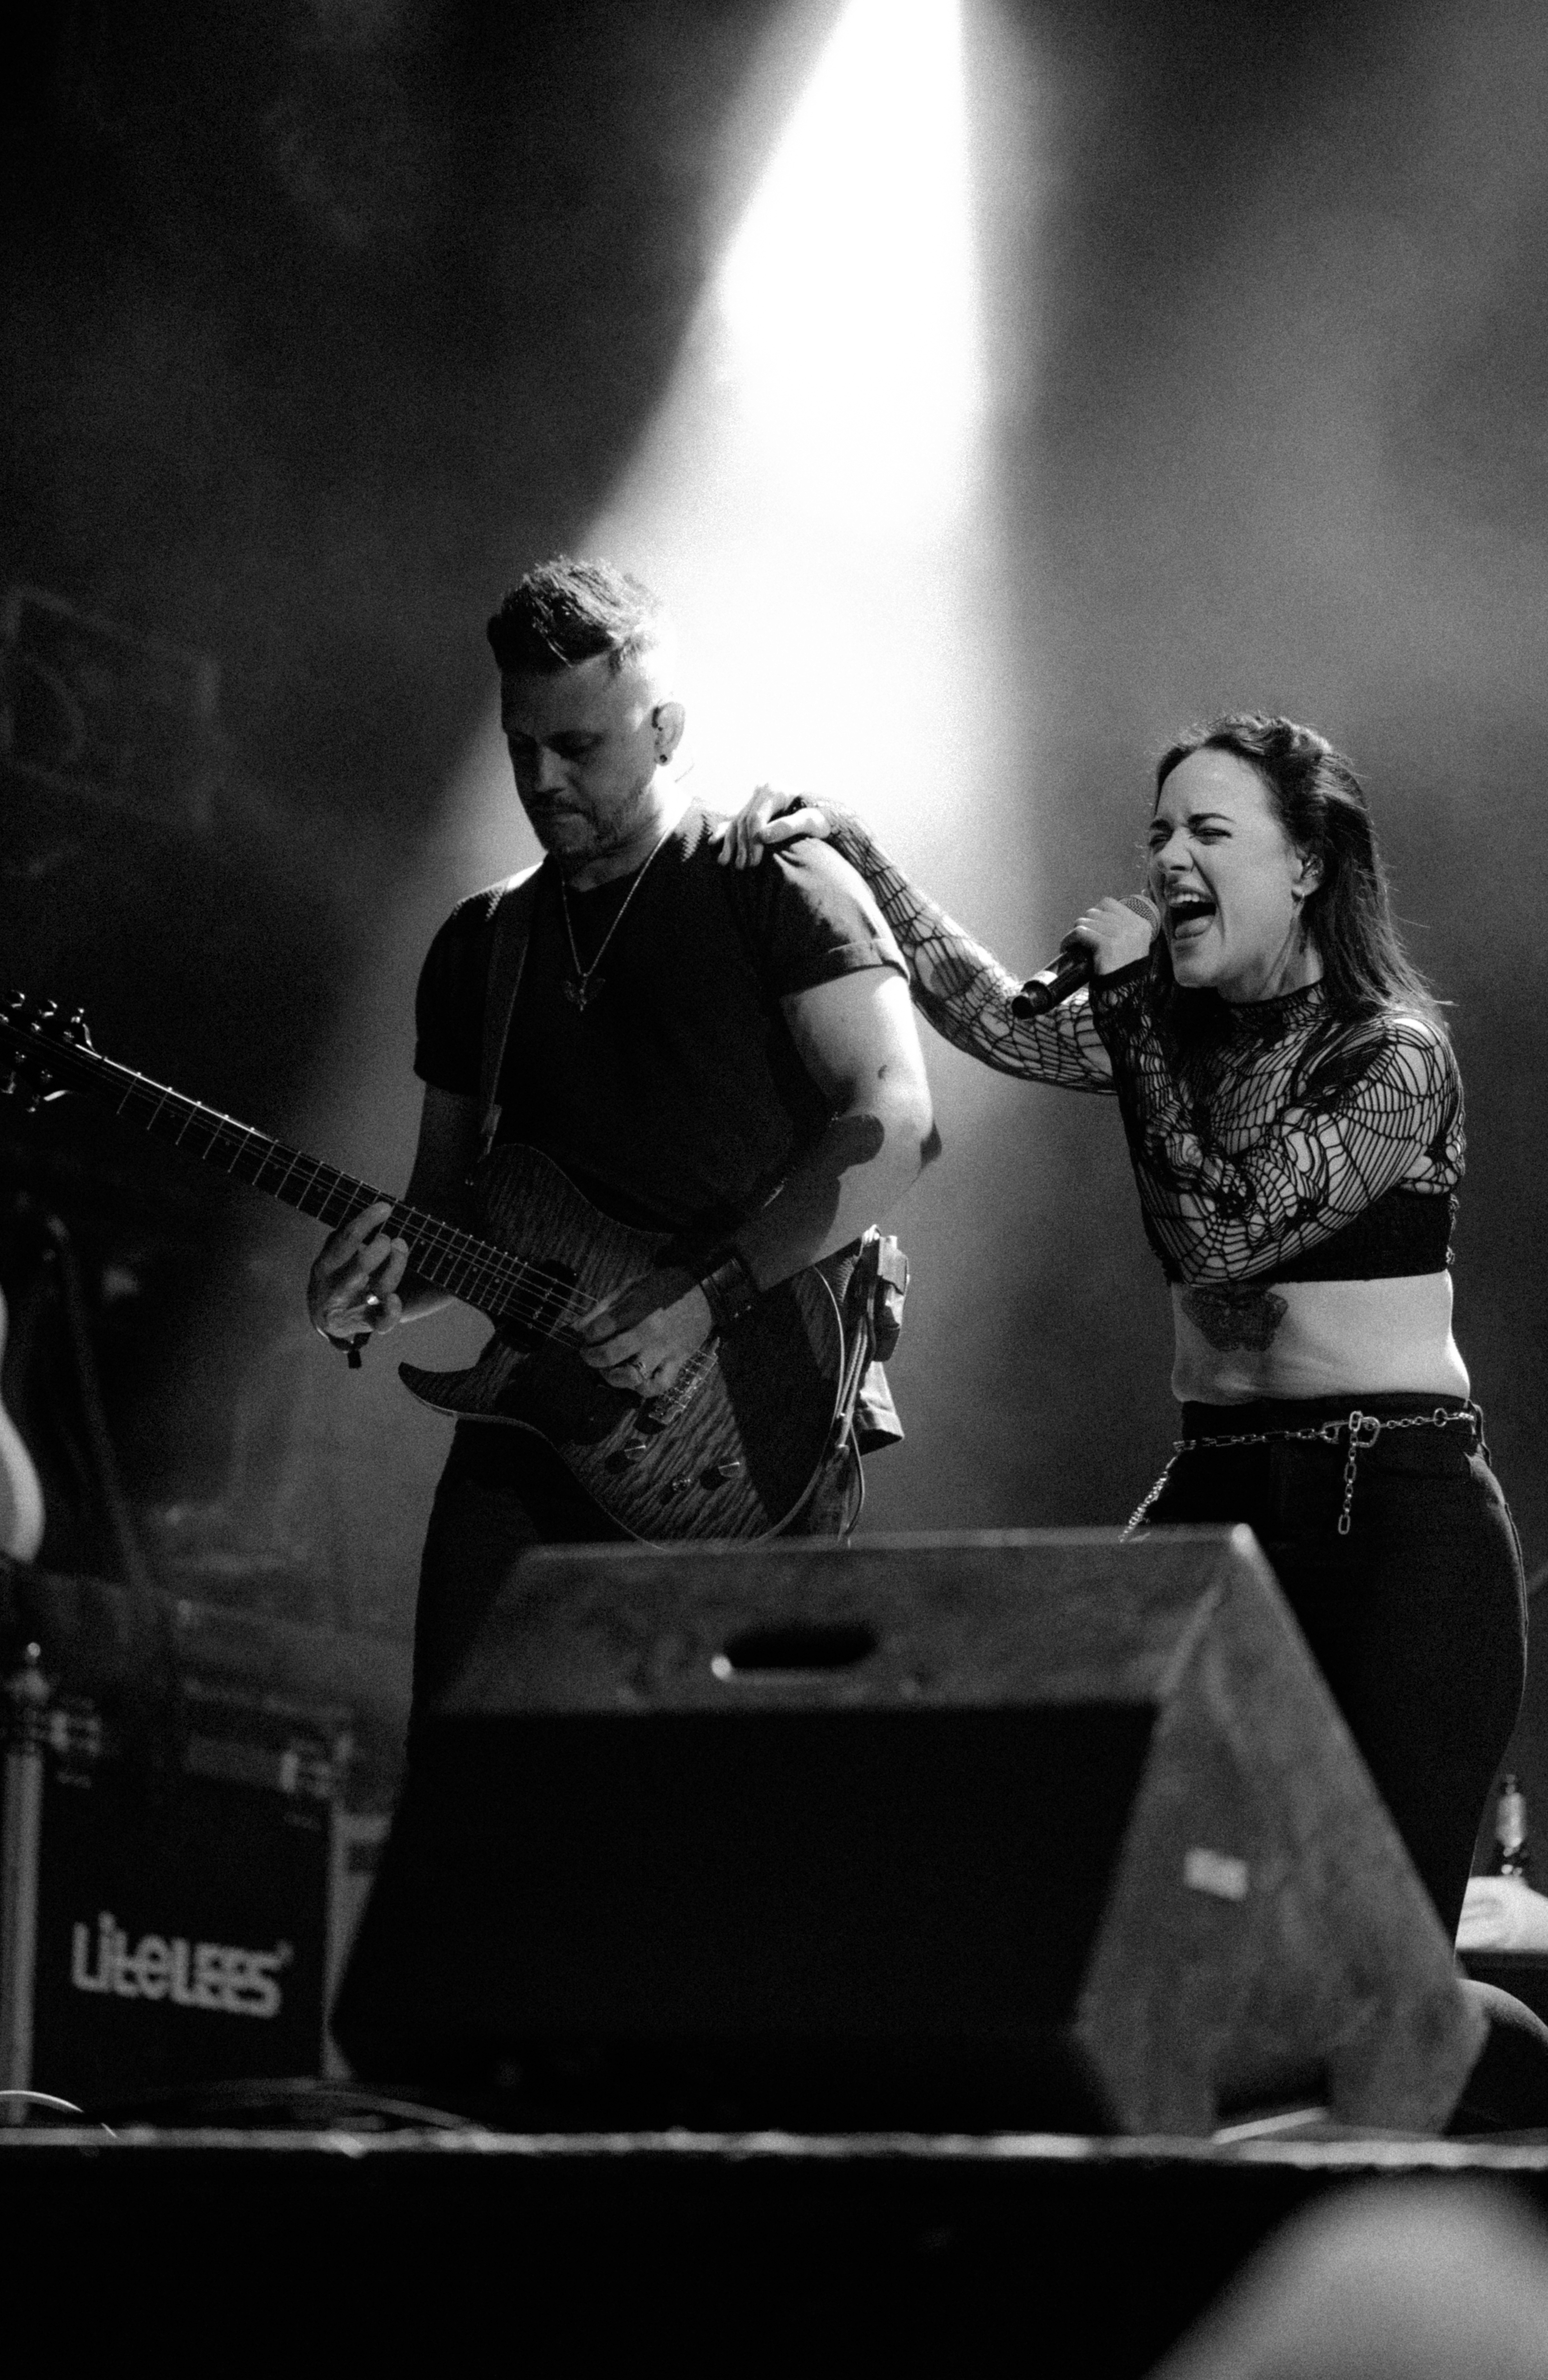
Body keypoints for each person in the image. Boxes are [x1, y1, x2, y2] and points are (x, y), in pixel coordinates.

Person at [722, 714, 1526, 1941]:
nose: (1165, 860)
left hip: (1388, 1516)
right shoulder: (1168, 1031)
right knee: (1116, 1880)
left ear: (1307, 865)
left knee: (1376, 1955)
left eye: (1209, 831)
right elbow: (995, 1019)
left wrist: (1138, 1009)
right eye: (1158, 833)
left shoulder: (1393, 1057)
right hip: (1217, 1485)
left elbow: (1223, 1232)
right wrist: (862, 852)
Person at [306, 557, 936, 1723]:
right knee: (470, 1800)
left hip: (744, 1425)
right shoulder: (480, 945)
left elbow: (896, 1123)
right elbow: (446, 1216)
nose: (542, 780)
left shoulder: (776, 882)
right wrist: (373, 1289)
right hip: (526, 1431)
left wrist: (696, 1299)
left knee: (689, 1845)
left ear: (666, 729)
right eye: (518, 747)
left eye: (578, 748)